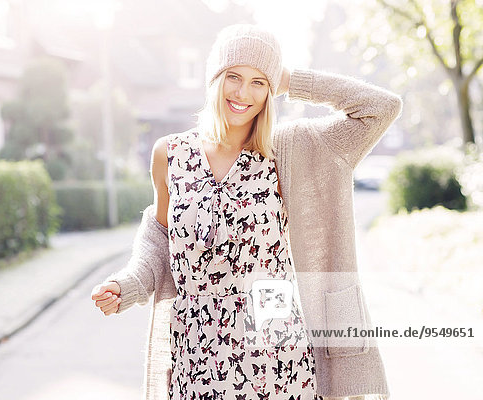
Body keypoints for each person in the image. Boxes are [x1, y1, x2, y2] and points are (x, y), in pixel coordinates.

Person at [91, 24, 402, 400]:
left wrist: (288, 78)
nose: (243, 93)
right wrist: (128, 285)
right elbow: (160, 239)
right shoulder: (170, 153)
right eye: (234, 77)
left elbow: (380, 108)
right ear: (214, 79)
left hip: (276, 349)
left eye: (259, 82)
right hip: (197, 347)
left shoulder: (287, 149)